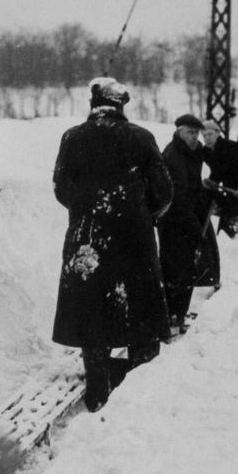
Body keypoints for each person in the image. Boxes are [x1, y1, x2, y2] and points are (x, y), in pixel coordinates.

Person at [52, 77, 172, 410]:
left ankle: (97, 391)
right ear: (121, 105)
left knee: (92, 314)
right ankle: (139, 398)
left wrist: (88, 210)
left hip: (88, 238)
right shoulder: (140, 137)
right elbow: (163, 191)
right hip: (134, 240)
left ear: (93, 104)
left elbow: (61, 188)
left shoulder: (72, 138)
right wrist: (140, 215)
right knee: (141, 313)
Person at [157, 114, 213, 335]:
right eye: (190, 132)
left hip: (187, 219)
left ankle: (176, 316)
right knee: (174, 271)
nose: (194, 137)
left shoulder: (192, 152)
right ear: (179, 131)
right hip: (173, 222)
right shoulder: (172, 156)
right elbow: (177, 195)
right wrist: (193, 225)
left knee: (186, 270)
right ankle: (171, 318)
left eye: (197, 133)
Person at [200, 118, 238, 236]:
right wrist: (211, 181)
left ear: (218, 133)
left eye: (210, 134)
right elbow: (217, 170)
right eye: (204, 135)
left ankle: (237, 231)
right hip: (228, 187)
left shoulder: (232, 147)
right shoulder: (207, 152)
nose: (207, 138)